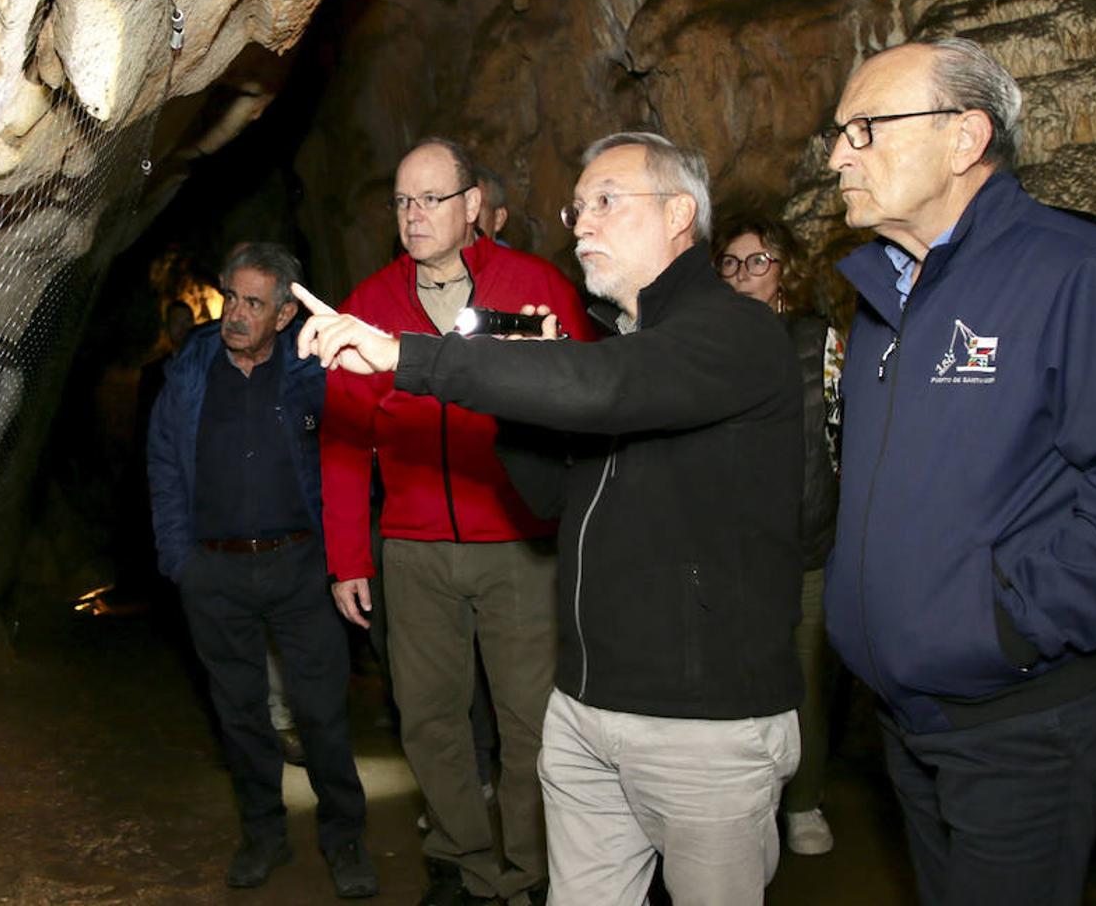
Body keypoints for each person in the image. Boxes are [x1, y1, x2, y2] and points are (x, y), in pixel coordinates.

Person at [298, 131, 806, 906]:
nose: (582, 223)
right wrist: (525, 395)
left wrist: (413, 357)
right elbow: (553, 498)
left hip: (698, 722)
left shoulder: (735, 333)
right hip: (587, 710)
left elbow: (603, 389)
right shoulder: (627, 343)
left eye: (606, 201)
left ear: (679, 214)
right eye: (578, 208)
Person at [820, 37, 1096, 905]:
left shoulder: (1081, 272)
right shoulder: (882, 295)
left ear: (965, 137)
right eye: (838, 133)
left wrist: (1009, 622)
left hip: (1021, 720)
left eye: (866, 129)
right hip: (908, 715)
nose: (838, 155)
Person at [320, 138, 593, 906]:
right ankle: (463, 860)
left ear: (473, 204)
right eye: (402, 202)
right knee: (430, 718)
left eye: (430, 199)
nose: (413, 216)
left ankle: (534, 868)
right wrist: (349, 556)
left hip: (516, 542)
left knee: (530, 722)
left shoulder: (535, 288)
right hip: (412, 548)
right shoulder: (370, 304)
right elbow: (345, 441)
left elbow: (583, 404)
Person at [146, 243, 377, 898]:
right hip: (215, 573)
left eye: (254, 303)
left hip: (302, 566)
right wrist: (179, 560)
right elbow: (163, 464)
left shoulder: (310, 374)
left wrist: (343, 557)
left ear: (283, 315)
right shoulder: (190, 373)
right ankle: (264, 834)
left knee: (322, 711)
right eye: (232, 298)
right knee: (240, 713)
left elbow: (343, 452)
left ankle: (345, 837)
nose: (236, 315)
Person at [713, 208, 844, 856]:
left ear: (784, 271)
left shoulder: (818, 341)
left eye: (757, 262)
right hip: (728, 554)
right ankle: (749, 807)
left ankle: (805, 800)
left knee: (805, 684)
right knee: (736, 689)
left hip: (806, 549)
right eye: (731, 263)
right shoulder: (704, 344)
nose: (743, 275)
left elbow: (844, 438)